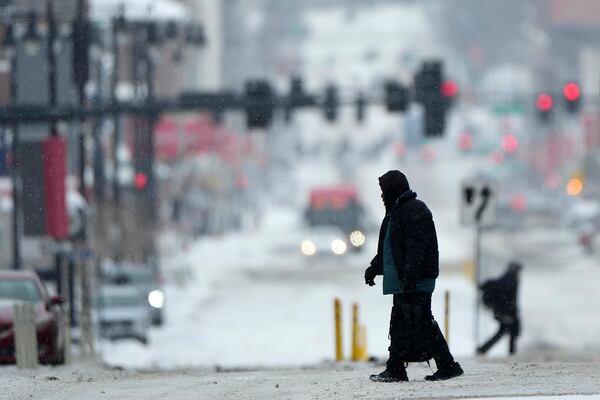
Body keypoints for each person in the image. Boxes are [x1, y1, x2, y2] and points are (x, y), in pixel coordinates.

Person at [364, 170, 463, 383]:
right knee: (407, 322)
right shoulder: (396, 212)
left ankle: (405, 368)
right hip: (405, 281)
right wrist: (374, 268)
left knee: (418, 322)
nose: (382, 196)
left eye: (384, 191)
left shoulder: (414, 210)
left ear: (394, 190)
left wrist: (410, 277)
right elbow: (390, 249)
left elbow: (415, 248)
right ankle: (430, 365)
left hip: (415, 281)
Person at [477, 261, 522, 355]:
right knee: (507, 330)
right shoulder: (509, 280)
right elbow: (507, 298)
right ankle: (511, 351)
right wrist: (507, 311)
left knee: (504, 331)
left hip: (505, 311)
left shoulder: (509, 279)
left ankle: (484, 349)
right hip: (505, 312)